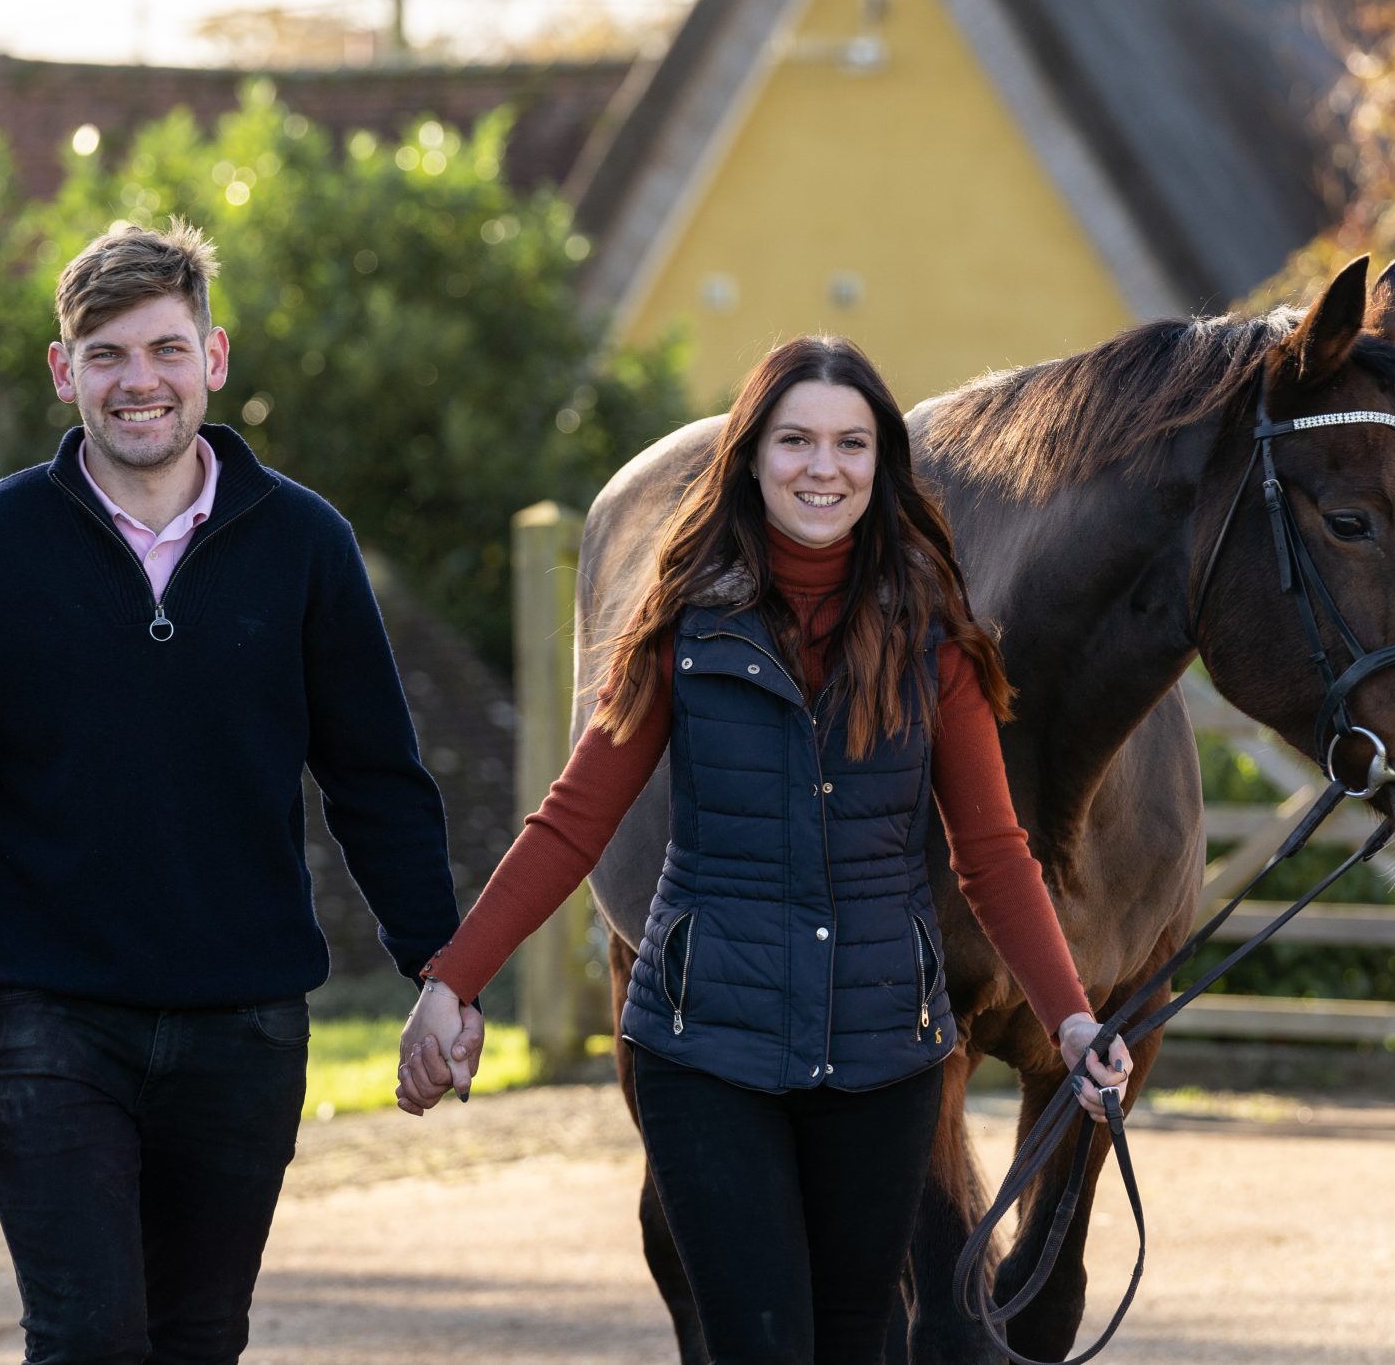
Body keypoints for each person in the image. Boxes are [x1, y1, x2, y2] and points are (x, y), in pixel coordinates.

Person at [398, 336, 1129, 1364]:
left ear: (882, 469)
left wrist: (1071, 1021)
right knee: (761, 1343)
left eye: (848, 444)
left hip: (881, 1057)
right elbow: (573, 818)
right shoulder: (681, 626)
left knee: (861, 1340)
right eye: (793, 441)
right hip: (705, 1051)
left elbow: (994, 855)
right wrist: (454, 983)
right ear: (750, 458)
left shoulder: (936, 641)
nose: (820, 467)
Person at [0, 219, 478, 1364]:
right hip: (43, 1018)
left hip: (243, 1026)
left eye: (164, 350)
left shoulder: (304, 545)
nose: (137, 381)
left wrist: (443, 972)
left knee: (199, 1340)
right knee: (88, 1337)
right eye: (105, 355)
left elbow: (377, 782)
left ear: (215, 357)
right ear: (64, 372)